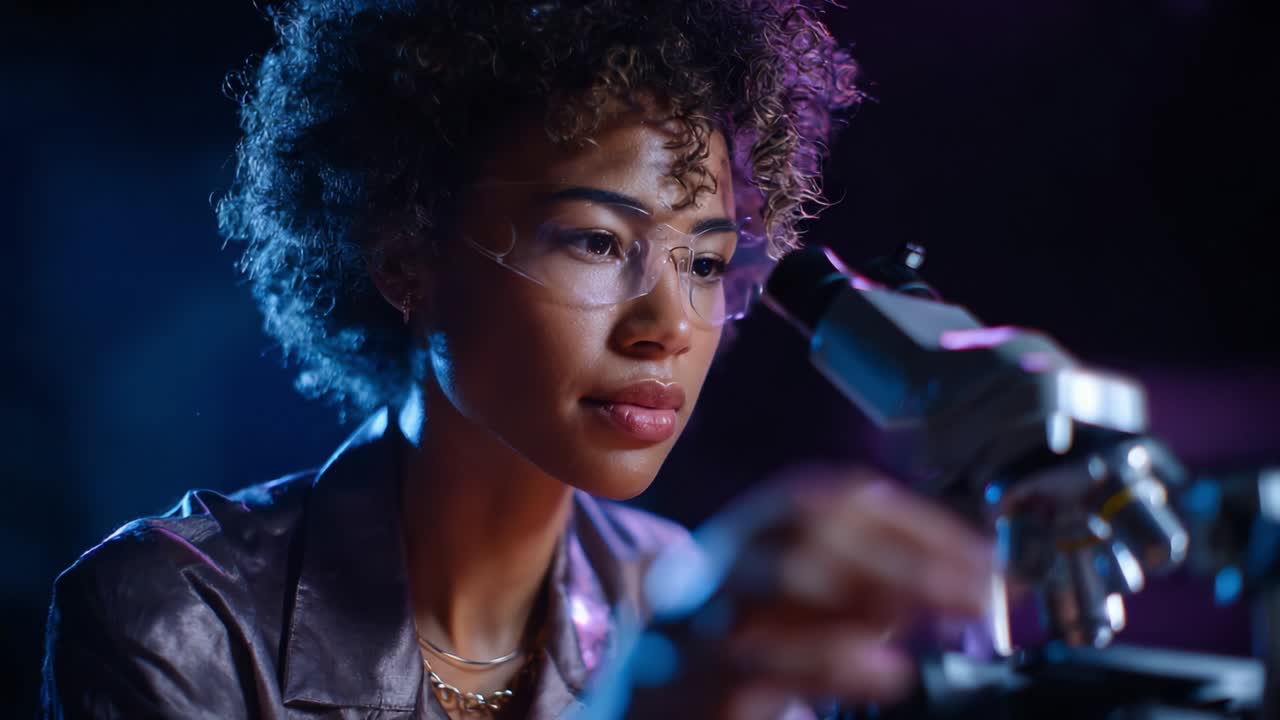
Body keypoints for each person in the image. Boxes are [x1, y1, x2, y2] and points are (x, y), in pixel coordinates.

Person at [41, 1, 994, 718]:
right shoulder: (174, 619)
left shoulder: (695, 599)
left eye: (705, 260)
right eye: (591, 240)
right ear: (407, 256)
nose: (667, 321)